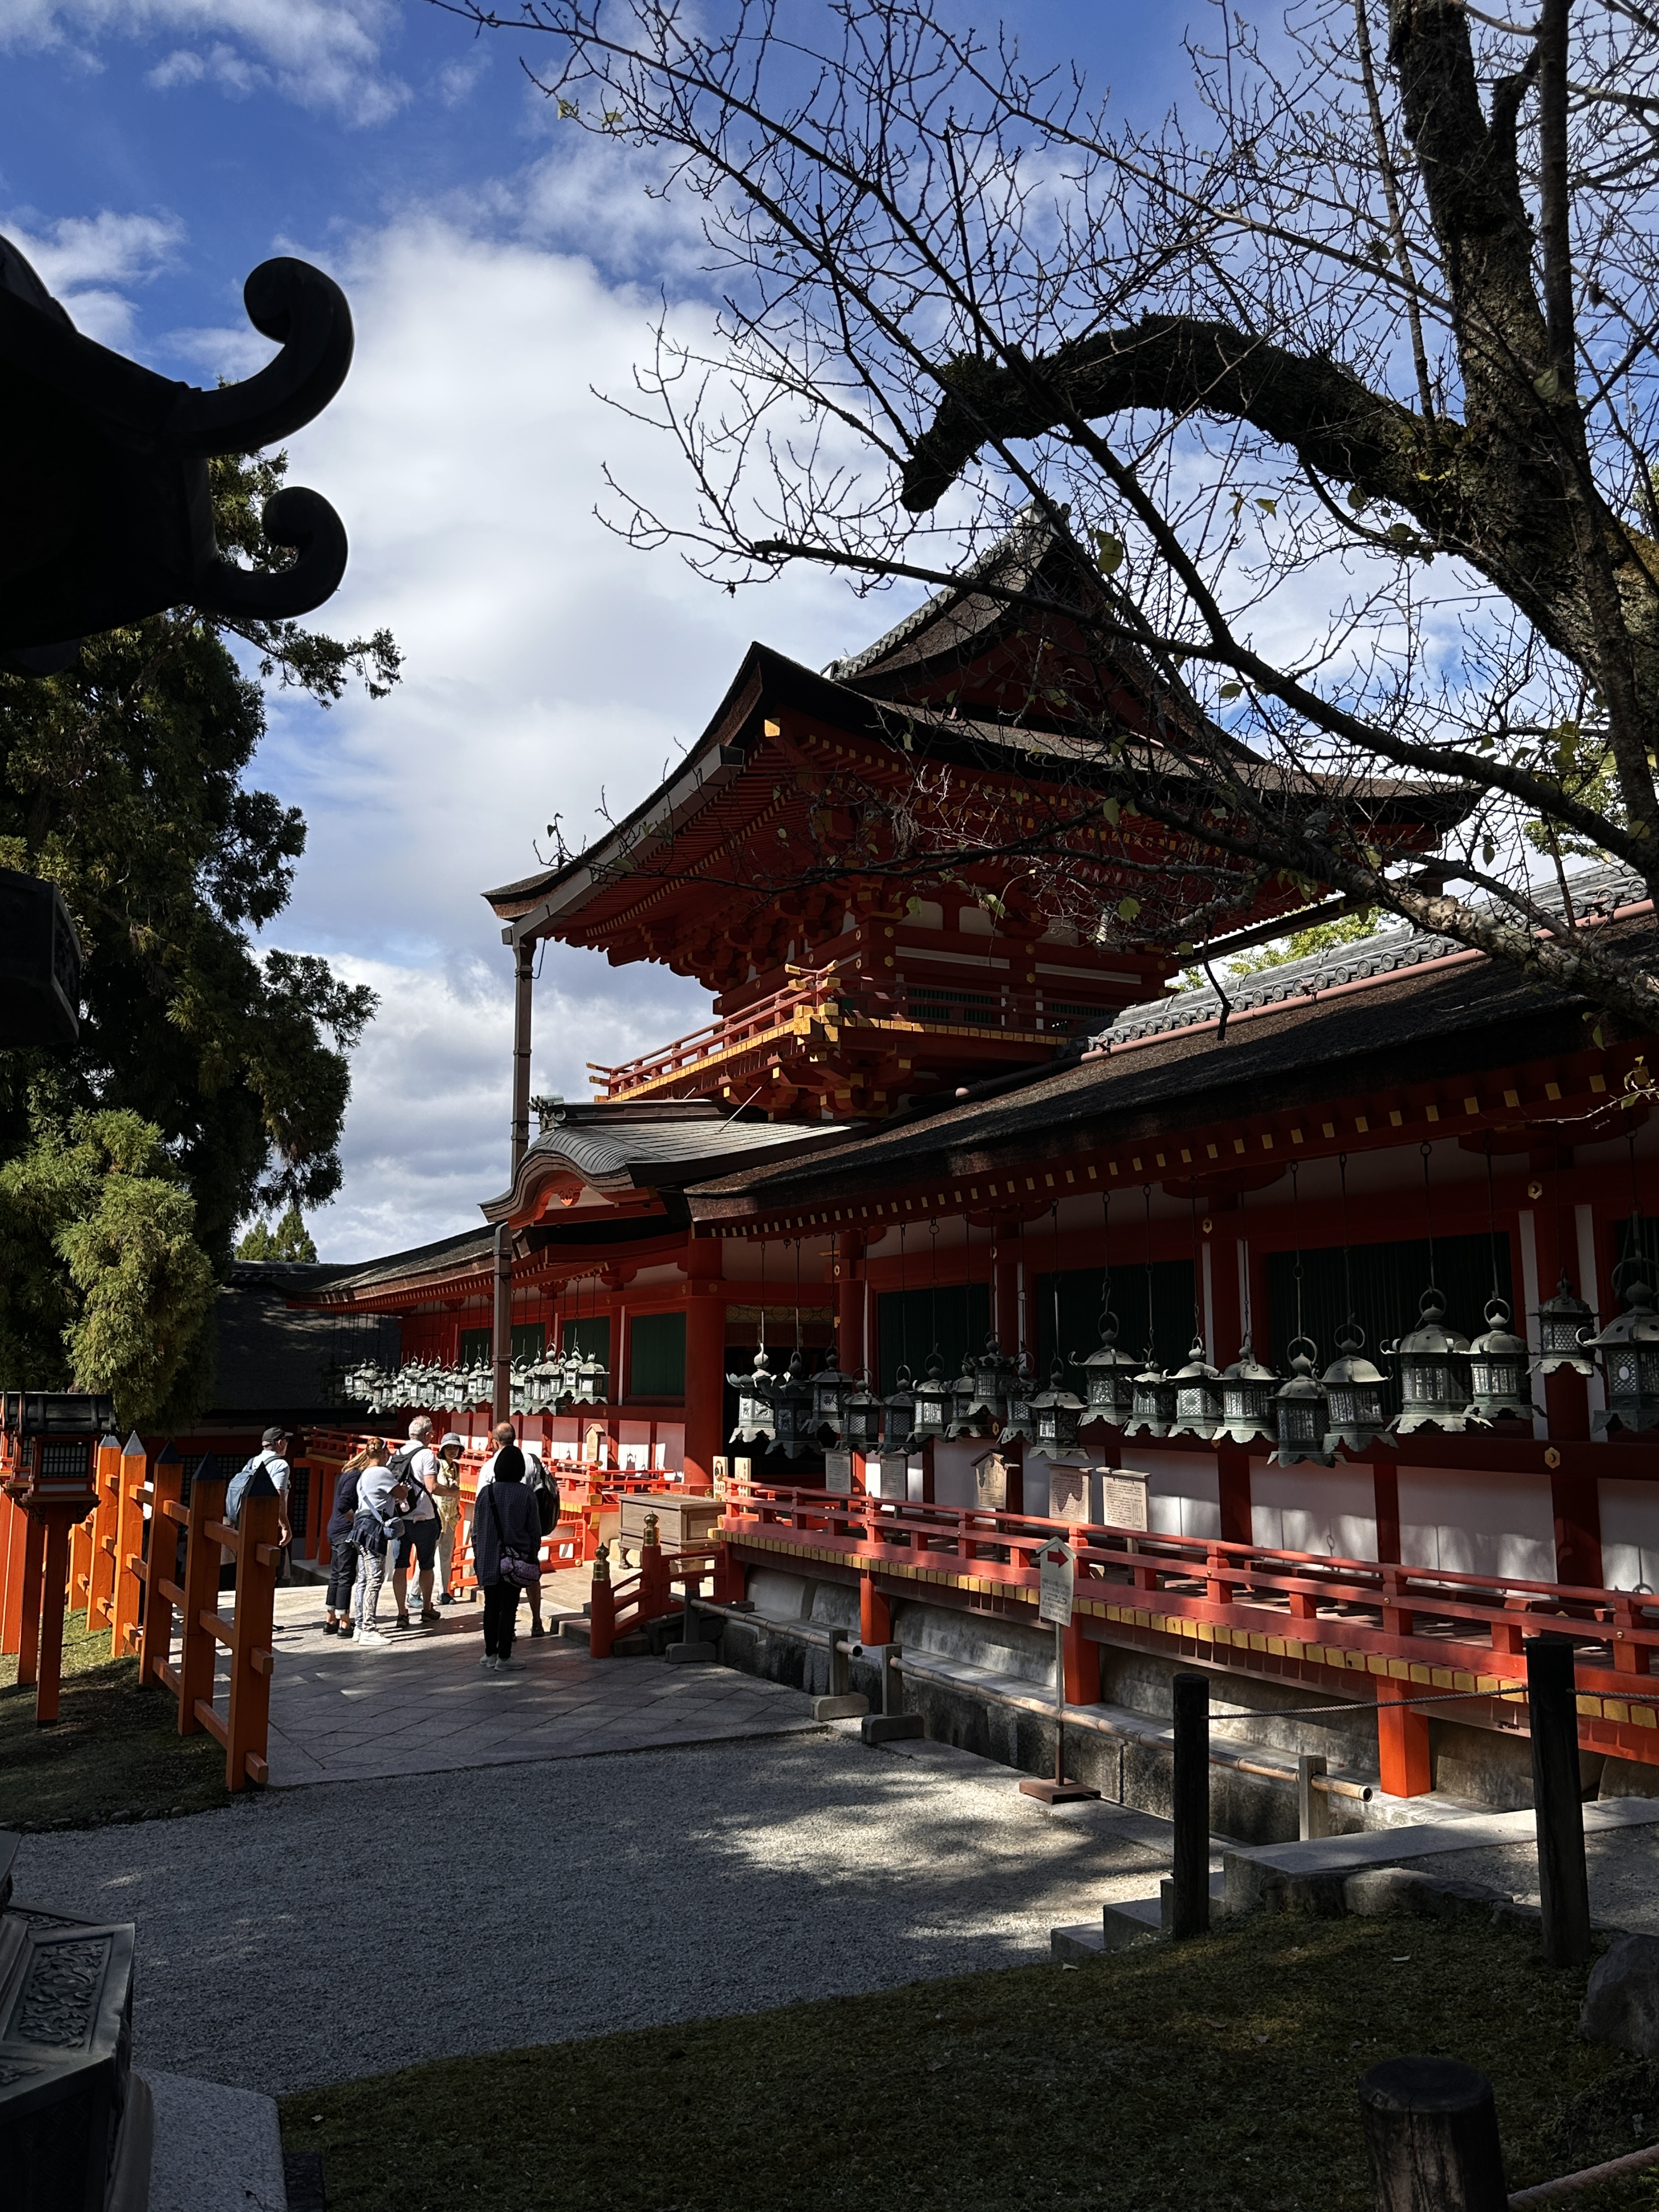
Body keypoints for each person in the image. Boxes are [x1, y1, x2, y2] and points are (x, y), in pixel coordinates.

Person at [478, 1420, 558, 1635]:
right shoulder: (531, 1460)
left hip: (499, 1534)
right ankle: (536, 1621)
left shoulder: (489, 1466)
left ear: (494, 1442)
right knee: (530, 1574)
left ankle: (507, 1629)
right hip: (525, 1530)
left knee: (502, 1584)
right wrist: (535, 1543)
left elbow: (481, 1507)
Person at [471, 1436, 540, 1672]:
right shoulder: (526, 1494)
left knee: (491, 1605)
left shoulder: (486, 1493)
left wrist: (478, 1553)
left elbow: (476, 1530)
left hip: (489, 1556)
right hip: (515, 1557)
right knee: (509, 1606)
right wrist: (532, 1554)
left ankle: (489, 1653)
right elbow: (534, 1530)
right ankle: (505, 1656)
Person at [387, 1415, 442, 1629]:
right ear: (428, 1435)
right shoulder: (427, 1454)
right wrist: (452, 1491)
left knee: (400, 1566)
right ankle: (427, 1608)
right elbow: (432, 1486)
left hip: (400, 1518)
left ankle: (402, 1613)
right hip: (424, 1518)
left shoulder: (397, 1454)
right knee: (426, 1565)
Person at [347, 1441, 398, 1646]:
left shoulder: (364, 1474)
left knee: (363, 1578)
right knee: (375, 1579)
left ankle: (360, 1627)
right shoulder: (382, 1473)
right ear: (384, 1453)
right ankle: (369, 1628)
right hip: (373, 1530)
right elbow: (401, 1494)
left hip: (360, 1526)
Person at [324, 1446, 375, 1637]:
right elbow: (344, 1504)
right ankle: (344, 1622)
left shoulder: (348, 1473)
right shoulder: (356, 1476)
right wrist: (358, 1522)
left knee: (337, 1574)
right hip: (345, 1530)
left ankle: (331, 1619)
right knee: (346, 1575)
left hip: (335, 1527)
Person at [434, 1433, 465, 1604]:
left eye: (455, 1448)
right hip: (436, 1517)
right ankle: (415, 1592)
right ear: (442, 1449)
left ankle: (443, 1592)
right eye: (449, 1448)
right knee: (427, 1557)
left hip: (450, 1518)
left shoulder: (457, 1467)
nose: (452, 1451)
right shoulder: (436, 1465)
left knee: (446, 1556)